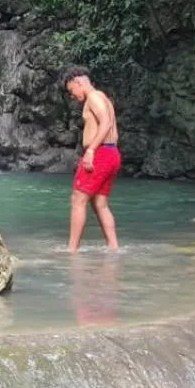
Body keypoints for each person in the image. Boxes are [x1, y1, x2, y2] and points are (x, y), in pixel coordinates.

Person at [63, 67, 120, 252]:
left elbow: (106, 123)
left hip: (101, 153)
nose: (72, 96)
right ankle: (113, 248)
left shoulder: (94, 97)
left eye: (72, 91)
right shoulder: (103, 98)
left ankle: (72, 249)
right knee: (100, 204)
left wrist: (91, 150)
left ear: (79, 83)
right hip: (112, 153)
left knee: (78, 199)